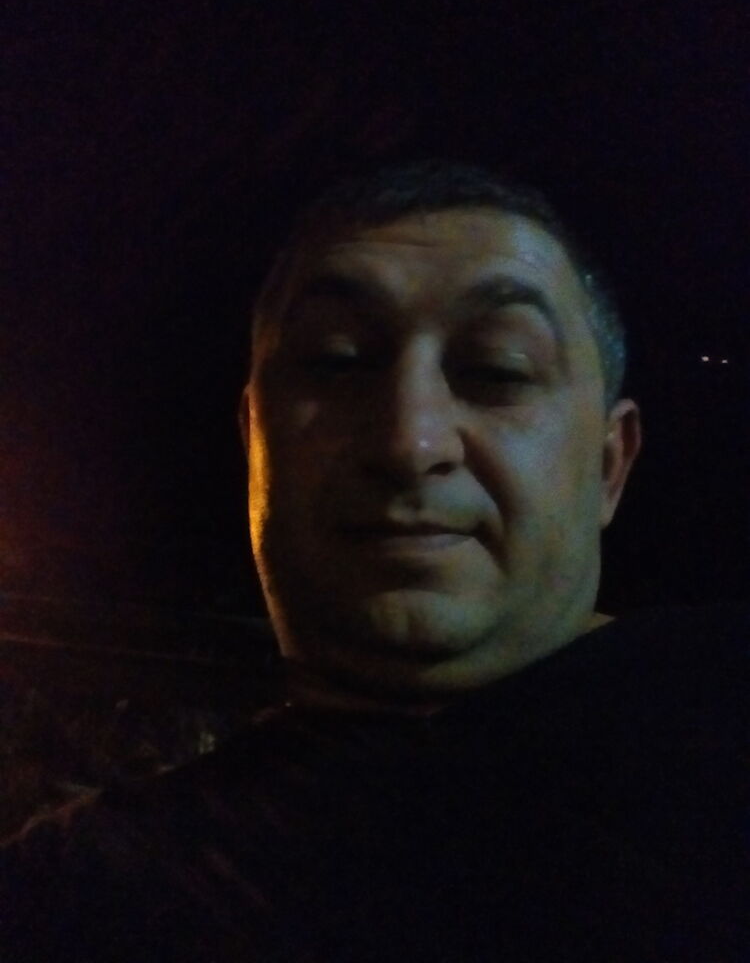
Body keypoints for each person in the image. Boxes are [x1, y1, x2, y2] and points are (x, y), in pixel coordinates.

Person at [1, 160, 747, 961]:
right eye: (337, 360)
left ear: (609, 465)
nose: (407, 439)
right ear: (255, 441)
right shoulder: (71, 897)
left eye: (496, 370)